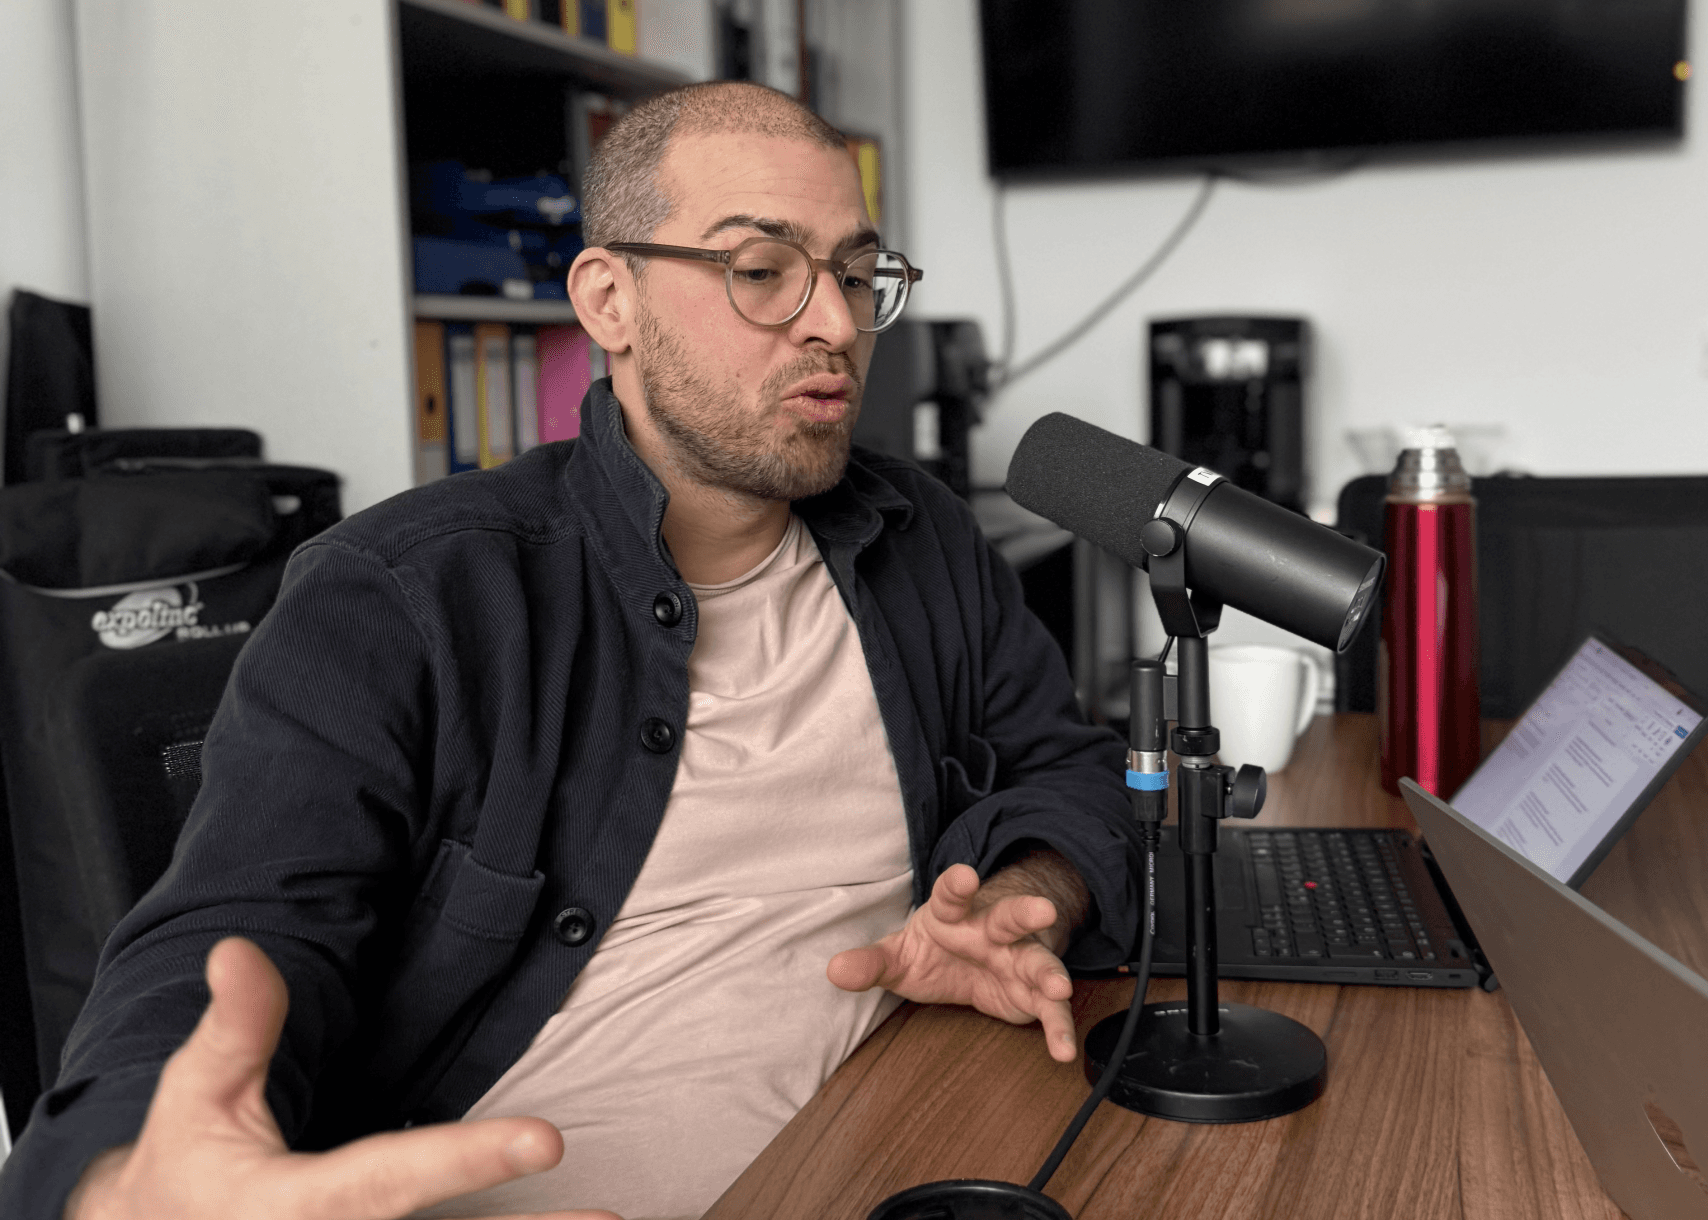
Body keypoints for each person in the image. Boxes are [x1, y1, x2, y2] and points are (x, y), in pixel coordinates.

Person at [0, 82, 1135, 1220]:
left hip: (921, 1121)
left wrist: (1024, 889)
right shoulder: (406, 592)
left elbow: (1066, 762)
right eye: (762, 269)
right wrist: (120, 1177)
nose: (834, 322)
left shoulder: (918, 530)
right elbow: (229, 939)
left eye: (852, 271)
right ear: (609, 299)